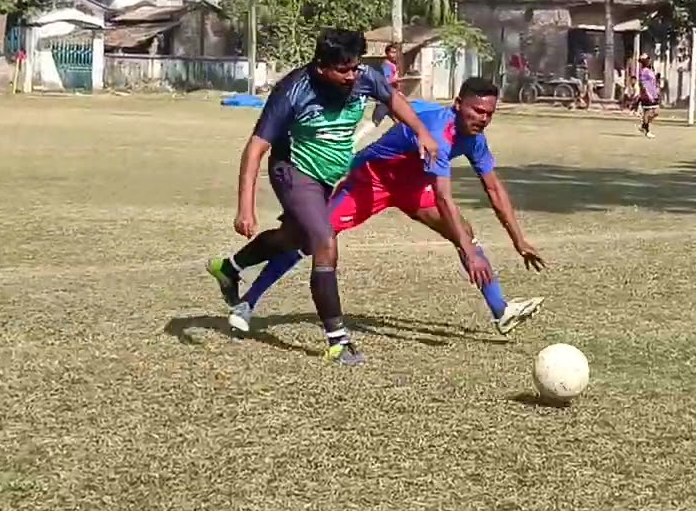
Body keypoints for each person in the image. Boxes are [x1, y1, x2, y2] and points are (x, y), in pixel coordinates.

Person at [223, 77, 547, 338]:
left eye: (489, 114)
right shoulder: (439, 132)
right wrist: (468, 250)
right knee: (312, 239)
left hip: (412, 186)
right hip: (371, 180)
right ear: (458, 104)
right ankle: (247, 303)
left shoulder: (475, 139)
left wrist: (518, 240)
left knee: (465, 231)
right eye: (477, 111)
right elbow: (444, 197)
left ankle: (501, 311)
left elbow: (493, 188)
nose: (483, 119)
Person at [206, 28, 438, 366]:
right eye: (342, 70)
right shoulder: (293, 90)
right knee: (324, 240)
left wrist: (422, 132)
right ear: (321, 66)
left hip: (330, 177)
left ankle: (230, 267)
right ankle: (337, 341)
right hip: (293, 170)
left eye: (354, 68)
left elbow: (393, 99)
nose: (350, 76)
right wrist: (245, 207)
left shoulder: (364, 77)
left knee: (294, 237)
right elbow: (256, 148)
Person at [370, 43, 401, 127]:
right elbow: (386, 81)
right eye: (392, 52)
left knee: (399, 118)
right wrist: (396, 79)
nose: (394, 55)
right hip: (386, 97)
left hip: (391, 96)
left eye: (395, 52)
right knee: (375, 122)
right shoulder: (387, 66)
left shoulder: (392, 65)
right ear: (387, 53)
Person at [637, 52, 661, 138]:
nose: (649, 61)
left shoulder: (650, 70)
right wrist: (647, 94)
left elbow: (653, 82)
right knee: (647, 112)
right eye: (647, 60)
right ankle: (647, 130)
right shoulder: (643, 71)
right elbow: (643, 84)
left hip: (653, 93)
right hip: (647, 95)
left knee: (656, 112)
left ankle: (644, 125)